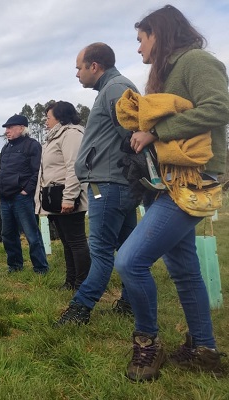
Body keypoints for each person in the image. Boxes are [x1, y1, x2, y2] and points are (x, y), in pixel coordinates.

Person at [115, 5, 229, 382]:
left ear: (158, 34)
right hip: (171, 181)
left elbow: (220, 107)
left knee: (130, 261)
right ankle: (204, 350)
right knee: (184, 270)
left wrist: (156, 133)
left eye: (140, 39)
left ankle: (148, 342)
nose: (138, 49)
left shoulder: (197, 61)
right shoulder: (166, 72)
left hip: (194, 182)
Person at [56, 43, 139, 325]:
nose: (77, 74)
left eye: (79, 68)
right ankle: (130, 301)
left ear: (95, 66)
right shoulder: (111, 89)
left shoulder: (116, 89)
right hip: (116, 182)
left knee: (101, 251)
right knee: (129, 249)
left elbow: (133, 137)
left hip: (109, 184)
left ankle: (81, 308)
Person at [36, 101, 89, 290]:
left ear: (60, 117)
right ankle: (71, 281)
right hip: (55, 198)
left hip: (68, 197)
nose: (45, 121)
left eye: (48, 117)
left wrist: (69, 197)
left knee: (76, 241)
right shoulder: (53, 138)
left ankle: (82, 284)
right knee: (67, 242)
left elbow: (74, 167)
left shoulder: (71, 134)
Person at [0, 114, 49, 274]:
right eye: (6, 128)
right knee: (7, 234)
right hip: (5, 197)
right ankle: (15, 265)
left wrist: (26, 190)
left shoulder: (32, 146)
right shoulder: (6, 148)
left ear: (22, 128)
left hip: (21, 198)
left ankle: (40, 268)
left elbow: (37, 171)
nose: (7, 131)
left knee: (31, 233)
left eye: (10, 127)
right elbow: (2, 170)